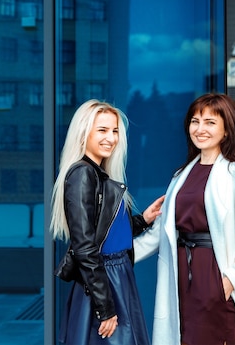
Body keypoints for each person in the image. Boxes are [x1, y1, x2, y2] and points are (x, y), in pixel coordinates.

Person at [134, 93, 235, 345]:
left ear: (227, 130)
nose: (200, 129)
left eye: (210, 122)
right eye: (195, 121)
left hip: (217, 275)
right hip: (182, 278)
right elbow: (161, 233)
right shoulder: (180, 176)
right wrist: (118, 256)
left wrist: (229, 282)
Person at [50, 99, 164, 345]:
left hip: (116, 276)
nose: (111, 138)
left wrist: (143, 220)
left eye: (114, 131)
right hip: (103, 279)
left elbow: (107, 232)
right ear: (83, 134)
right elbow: (85, 248)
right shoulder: (82, 174)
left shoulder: (99, 175)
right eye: (102, 130)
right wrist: (105, 307)